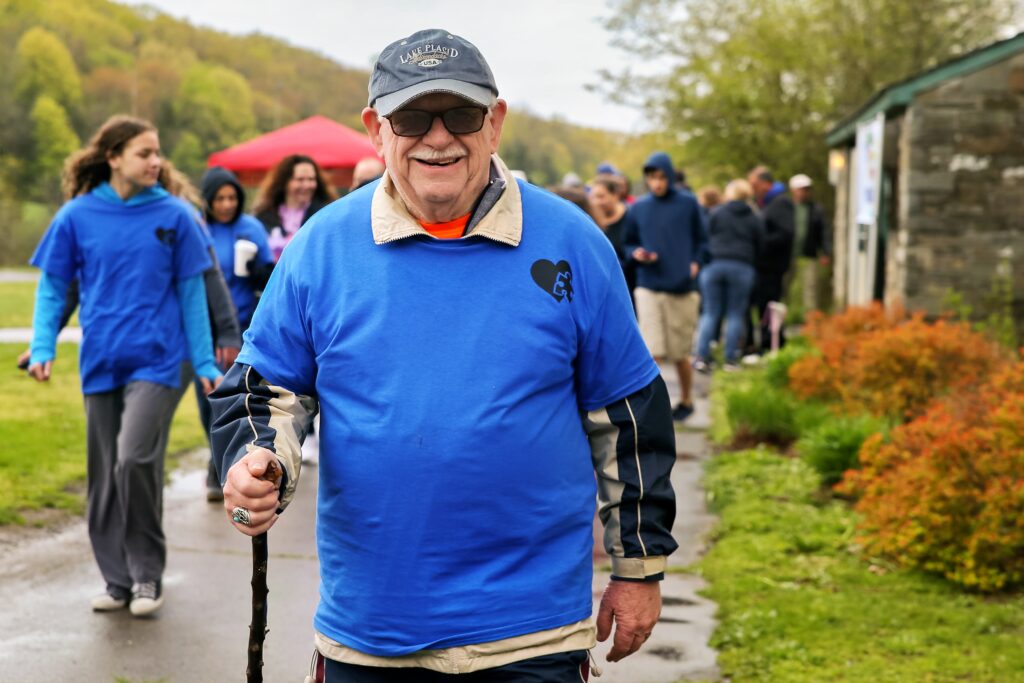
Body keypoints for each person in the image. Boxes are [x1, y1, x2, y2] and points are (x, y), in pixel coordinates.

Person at [210, 28, 677, 681]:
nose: (438, 137)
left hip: (532, 636)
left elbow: (628, 417)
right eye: (411, 118)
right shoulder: (322, 247)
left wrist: (638, 567)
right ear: (377, 128)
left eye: (461, 114)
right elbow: (268, 390)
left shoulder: (574, 242)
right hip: (370, 635)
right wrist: (262, 462)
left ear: (495, 124)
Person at [27, 115, 220, 617]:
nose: (156, 161)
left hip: (158, 360)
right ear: (113, 158)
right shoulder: (76, 216)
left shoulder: (176, 216)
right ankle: (116, 581)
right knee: (103, 475)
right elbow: (53, 287)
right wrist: (43, 345)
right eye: (143, 153)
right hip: (102, 361)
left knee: (133, 459)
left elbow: (192, 291)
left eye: (157, 152)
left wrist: (202, 358)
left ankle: (147, 576)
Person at [193, 166, 274, 499]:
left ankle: (221, 469)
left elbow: (268, 280)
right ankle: (217, 459)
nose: (226, 204)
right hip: (203, 327)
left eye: (231, 198)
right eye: (219, 198)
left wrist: (256, 267)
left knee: (231, 399)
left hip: (240, 326)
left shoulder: (250, 228)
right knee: (206, 401)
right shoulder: (198, 229)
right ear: (208, 201)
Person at [622, 152, 708, 421]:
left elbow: (703, 241)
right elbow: (627, 243)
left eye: (661, 177)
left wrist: (695, 262)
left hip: (682, 287)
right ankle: (651, 409)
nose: (656, 183)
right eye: (651, 178)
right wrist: (636, 253)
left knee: (680, 353)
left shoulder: (688, 203)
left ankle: (686, 399)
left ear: (669, 176)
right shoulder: (639, 208)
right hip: (649, 285)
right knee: (652, 351)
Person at [694, 180, 764, 371]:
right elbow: (761, 245)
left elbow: (705, 236)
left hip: (714, 265)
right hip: (742, 267)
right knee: (735, 314)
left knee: (710, 312)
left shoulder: (717, 213)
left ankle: (701, 356)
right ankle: (730, 359)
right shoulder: (754, 217)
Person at [252, 154, 336, 262]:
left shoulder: (325, 215)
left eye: (311, 179)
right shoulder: (263, 216)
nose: (307, 185)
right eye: (300, 179)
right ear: (284, 182)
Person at [747, 166, 794, 352]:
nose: (753, 189)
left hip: (772, 265)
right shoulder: (766, 203)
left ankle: (772, 342)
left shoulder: (780, 203)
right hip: (764, 266)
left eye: (755, 185)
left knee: (769, 304)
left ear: (766, 184)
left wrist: (760, 242)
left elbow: (786, 233)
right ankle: (769, 340)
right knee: (763, 304)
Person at [788, 174, 831, 314]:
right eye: (800, 189)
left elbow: (824, 231)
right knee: (789, 287)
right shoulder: (786, 208)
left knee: (810, 287)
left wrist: (825, 252)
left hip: (809, 254)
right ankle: (789, 315)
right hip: (788, 255)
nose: (803, 192)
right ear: (793, 190)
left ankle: (809, 318)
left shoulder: (816, 209)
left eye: (806, 189)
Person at [589, 174, 636, 298]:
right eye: (593, 197)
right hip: (605, 291)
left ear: (615, 195)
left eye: (601, 197)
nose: (596, 202)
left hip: (631, 287)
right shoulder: (590, 222)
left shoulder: (631, 217)